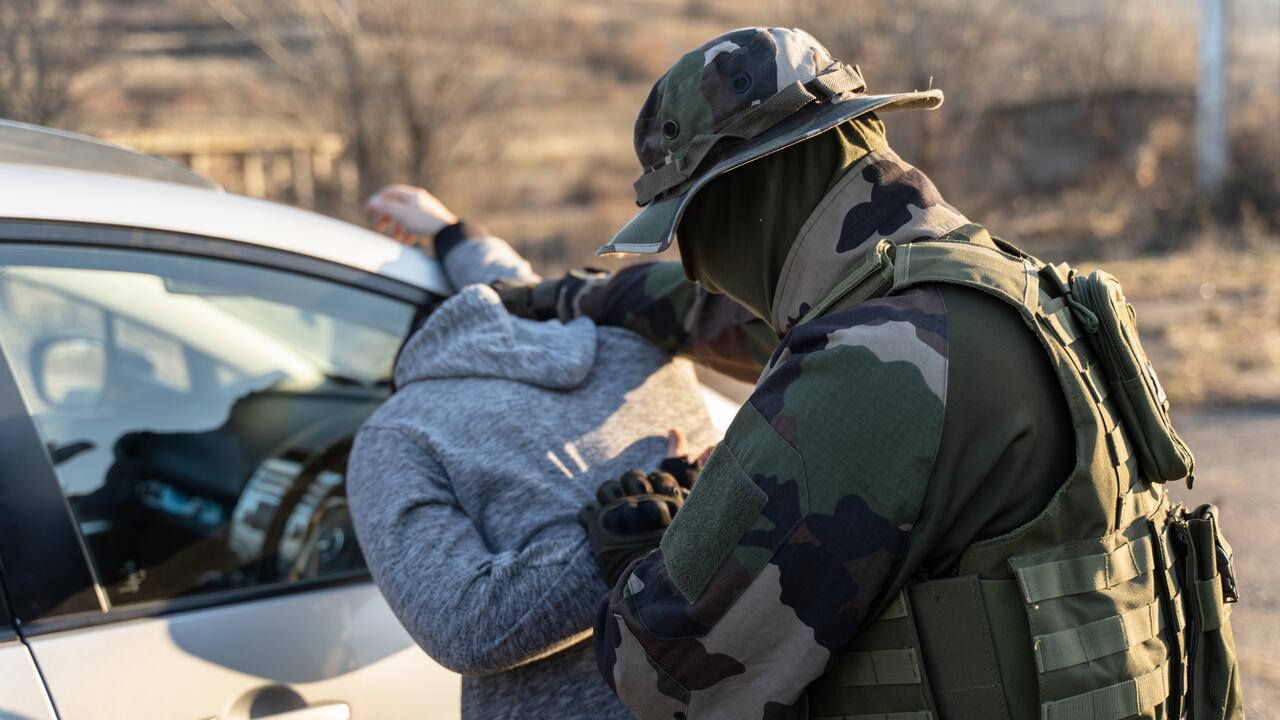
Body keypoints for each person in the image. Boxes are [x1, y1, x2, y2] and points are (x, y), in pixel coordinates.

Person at [500, 27, 1244, 720]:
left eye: (687, 228)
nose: (698, 264)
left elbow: (663, 673)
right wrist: (566, 297)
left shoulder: (872, 362)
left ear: (737, 200)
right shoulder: (988, 282)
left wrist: (635, 552)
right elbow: (725, 319)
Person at [347, 185, 720, 719]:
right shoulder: (631, 340)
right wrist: (456, 235)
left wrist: (614, 548)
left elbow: (465, 629)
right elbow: (523, 296)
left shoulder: (397, 435)